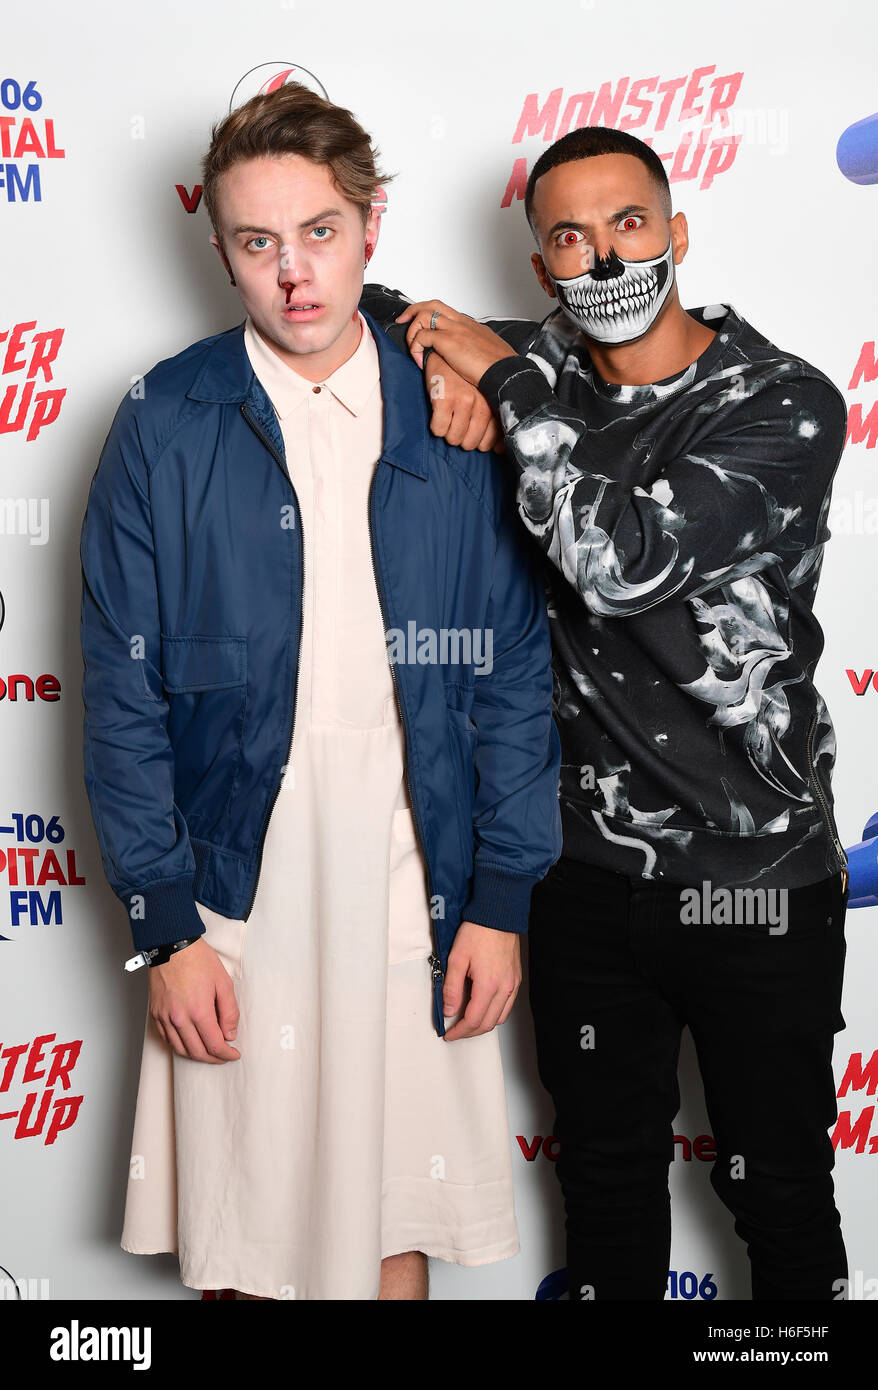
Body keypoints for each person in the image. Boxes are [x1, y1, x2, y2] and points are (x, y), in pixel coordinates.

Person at [79, 81, 561, 1302]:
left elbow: (506, 669)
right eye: (256, 242)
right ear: (220, 248)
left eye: (319, 234)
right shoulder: (163, 417)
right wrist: (163, 930)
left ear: (370, 226)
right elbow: (121, 695)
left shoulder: (452, 413)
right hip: (236, 879)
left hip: (416, 863)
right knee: (239, 1226)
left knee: (385, 1214)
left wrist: (500, 896)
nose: (293, 274)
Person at [361, 124, 851, 1300]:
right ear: (540, 267)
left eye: (628, 223)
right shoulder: (545, 361)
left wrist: (506, 383)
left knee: (775, 1187)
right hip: (582, 879)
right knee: (605, 1187)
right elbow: (367, 303)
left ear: (675, 233)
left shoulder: (781, 401)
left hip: (756, 877)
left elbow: (619, 562)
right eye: (568, 238)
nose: (603, 257)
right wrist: (447, 358)